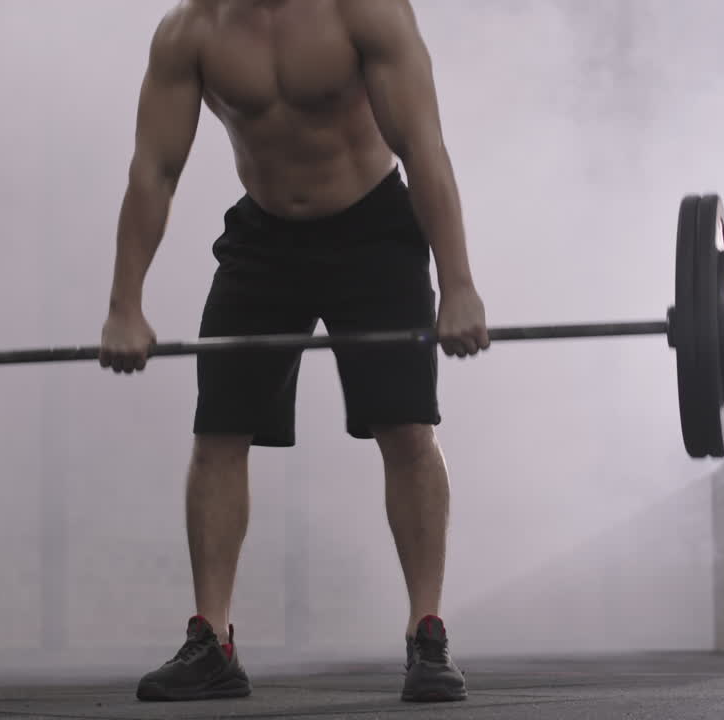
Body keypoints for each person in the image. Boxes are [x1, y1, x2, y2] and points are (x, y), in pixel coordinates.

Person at [99, 0, 489, 704]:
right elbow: (154, 170)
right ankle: (213, 642)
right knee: (218, 434)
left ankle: (426, 632)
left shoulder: (364, 12)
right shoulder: (191, 31)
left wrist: (458, 285)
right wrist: (125, 303)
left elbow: (422, 147)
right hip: (266, 238)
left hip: (374, 231)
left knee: (406, 428)